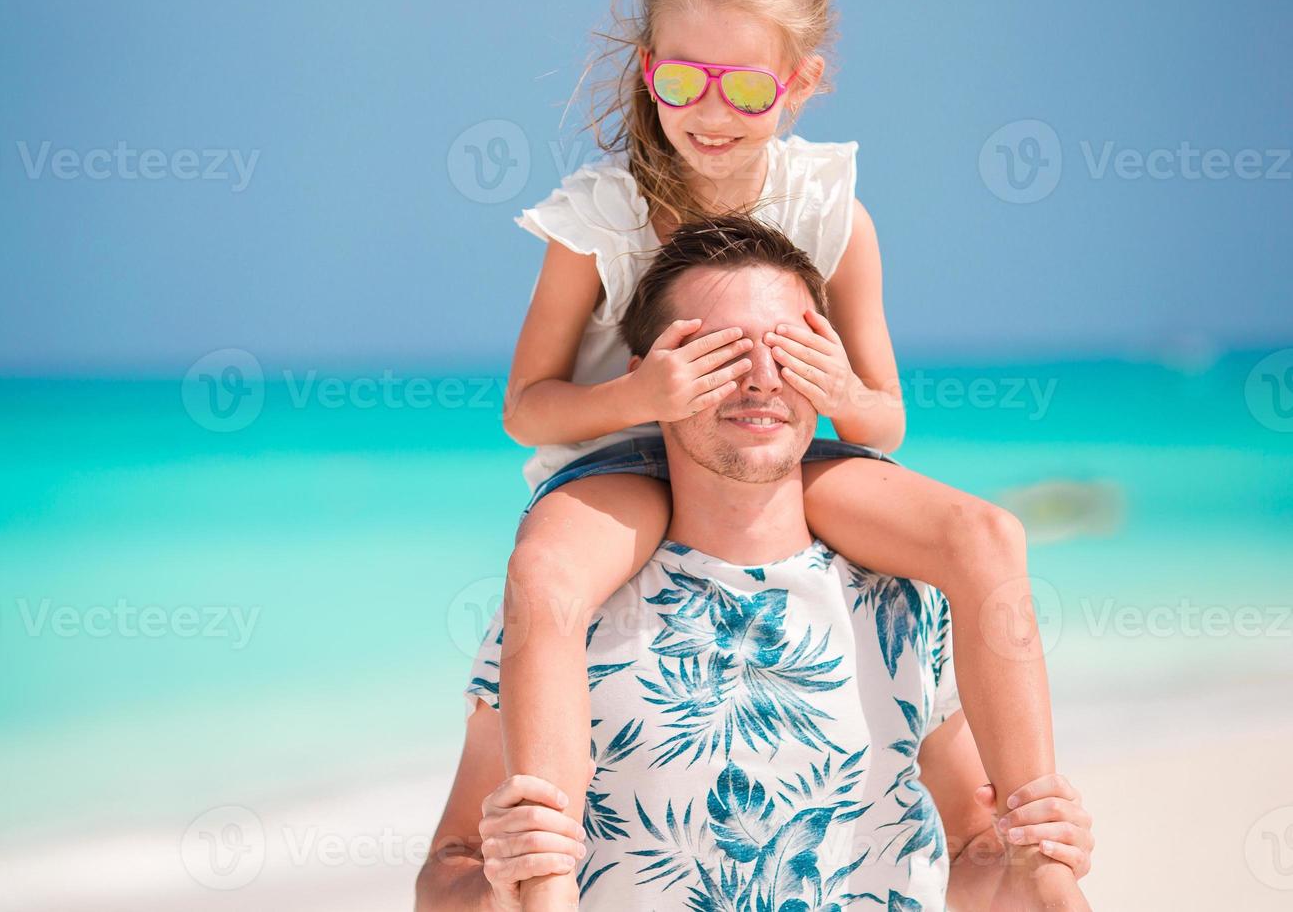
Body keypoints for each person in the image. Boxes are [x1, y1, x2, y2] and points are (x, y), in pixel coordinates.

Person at [492, 0, 1074, 909]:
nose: (711, 112)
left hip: (792, 443)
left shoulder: (834, 211)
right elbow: (526, 410)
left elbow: (884, 418)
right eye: (683, 80)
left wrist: (831, 388)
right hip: (627, 451)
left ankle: (1039, 854)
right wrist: (645, 398)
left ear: (797, 86)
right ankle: (544, 883)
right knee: (545, 571)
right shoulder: (598, 218)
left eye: (746, 89)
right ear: (649, 73)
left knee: (989, 534)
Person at [417, 216, 1093, 910]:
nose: (762, 380)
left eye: (792, 351)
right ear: (645, 379)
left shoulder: (909, 599)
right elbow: (447, 875)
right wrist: (501, 882)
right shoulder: (563, 604)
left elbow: (970, 848)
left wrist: (1027, 856)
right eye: (721, 354)